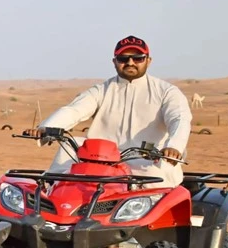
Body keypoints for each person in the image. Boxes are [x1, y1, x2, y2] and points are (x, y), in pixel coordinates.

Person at [28, 35, 192, 187]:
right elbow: (74, 110)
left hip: (145, 162)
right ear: (114, 61)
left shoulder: (167, 92)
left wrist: (174, 147)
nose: (130, 62)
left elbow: (179, 119)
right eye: (123, 58)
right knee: (69, 149)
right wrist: (46, 128)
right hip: (98, 161)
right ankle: (49, 199)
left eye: (137, 58)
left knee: (157, 186)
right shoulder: (102, 90)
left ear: (148, 60)